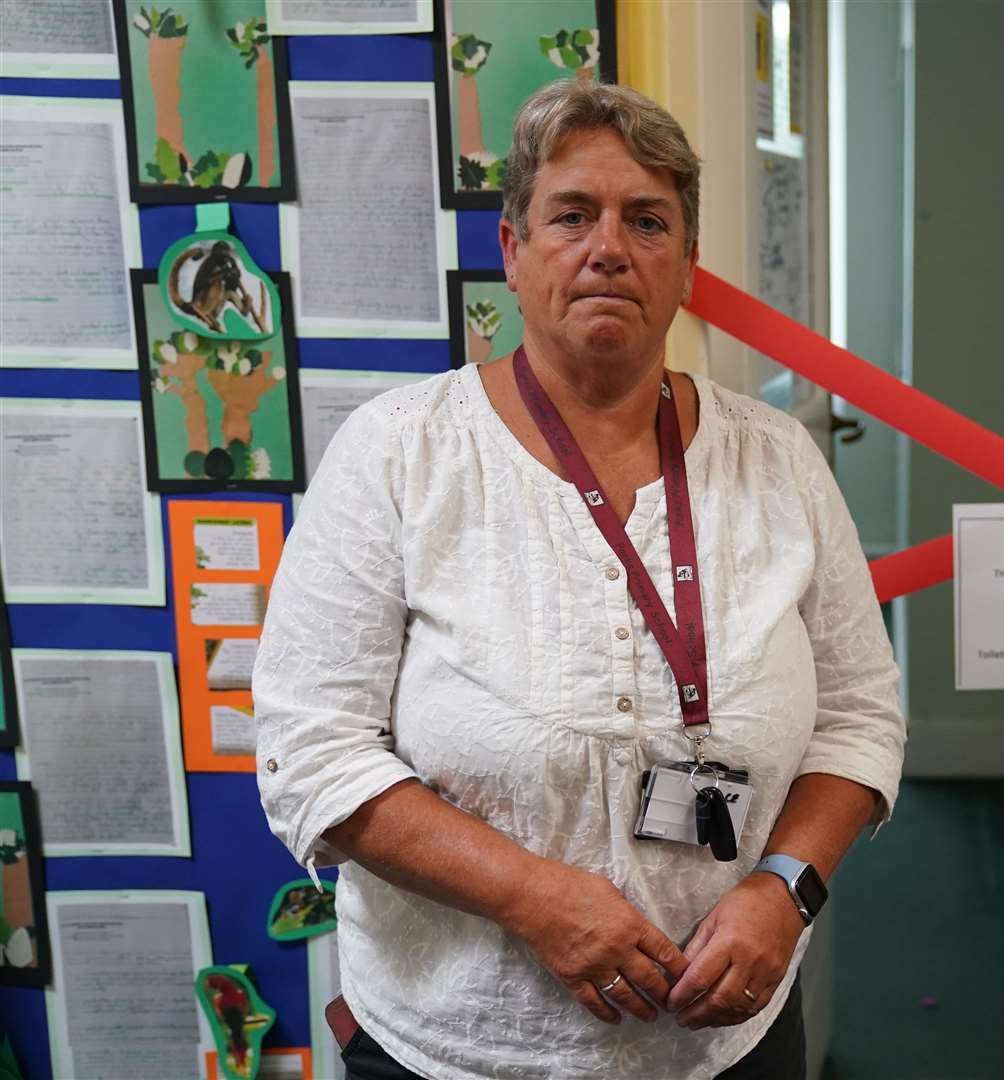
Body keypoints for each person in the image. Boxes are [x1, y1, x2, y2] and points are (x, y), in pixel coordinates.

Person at [253, 79, 905, 1080]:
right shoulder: (397, 453)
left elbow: (859, 718)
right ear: (512, 254)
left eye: (647, 220)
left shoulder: (779, 462)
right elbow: (311, 752)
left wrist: (785, 888)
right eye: (571, 215)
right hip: (458, 1047)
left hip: (727, 1040)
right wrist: (532, 896)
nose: (609, 247)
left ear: (685, 265)